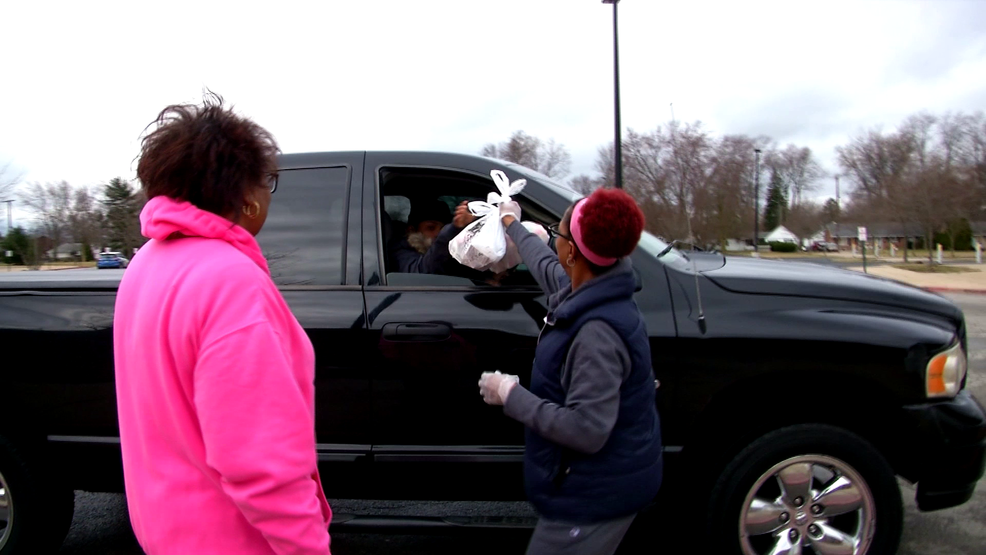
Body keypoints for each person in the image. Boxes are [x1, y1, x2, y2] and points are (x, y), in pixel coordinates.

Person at [113, 94, 332, 555]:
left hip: (166, 532)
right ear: (247, 196)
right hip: (231, 540)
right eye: (267, 181)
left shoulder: (146, 264)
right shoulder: (232, 284)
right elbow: (262, 464)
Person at [478, 188, 663, 555]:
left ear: (573, 252)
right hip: (605, 480)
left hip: (594, 495)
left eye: (558, 234)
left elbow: (587, 429)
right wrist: (510, 221)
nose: (555, 242)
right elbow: (546, 264)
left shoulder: (597, 333)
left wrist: (510, 394)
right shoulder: (593, 289)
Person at [391, 198, 477, 275]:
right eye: (431, 228)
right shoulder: (400, 252)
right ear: (412, 230)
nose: (438, 234)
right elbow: (421, 275)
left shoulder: (447, 252)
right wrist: (453, 229)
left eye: (442, 229)